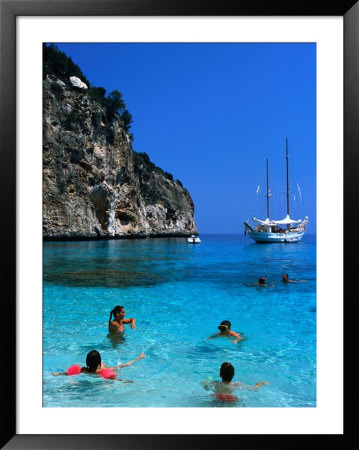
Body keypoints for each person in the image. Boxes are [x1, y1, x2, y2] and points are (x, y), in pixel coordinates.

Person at [52, 350, 145, 382]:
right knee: (124, 365)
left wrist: (59, 374)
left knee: (122, 366)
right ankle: (138, 358)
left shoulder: (84, 370)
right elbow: (114, 379)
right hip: (106, 368)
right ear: (98, 363)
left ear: (86, 361)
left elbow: (68, 373)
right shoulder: (101, 370)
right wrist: (124, 381)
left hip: (96, 367)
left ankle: (138, 358)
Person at [202, 362, 269, 399]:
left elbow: (206, 388)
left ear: (220, 374)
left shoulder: (215, 383)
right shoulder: (236, 384)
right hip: (230, 399)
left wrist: (206, 381)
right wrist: (260, 383)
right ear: (233, 374)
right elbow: (253, 388)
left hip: (218, 399)